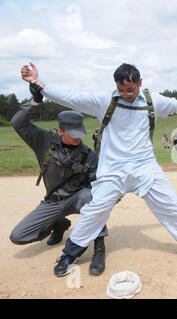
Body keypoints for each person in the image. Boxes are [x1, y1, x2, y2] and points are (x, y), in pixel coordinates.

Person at [21, 62, 177, 277]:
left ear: (139, 83)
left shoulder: (152, 100)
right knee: (94, 211)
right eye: (121, 90)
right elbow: (70, 97)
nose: (126, 94)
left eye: (130, 89)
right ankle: (69, 254)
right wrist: (37, 82)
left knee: (171, 205)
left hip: (145, 166)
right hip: (112, 169)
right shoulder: (104, 101)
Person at [9, 82, 108, 275]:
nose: (78, 138)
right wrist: (35, 101)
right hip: (53, 202)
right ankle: (58, 223)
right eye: (72, 134)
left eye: (80, 133)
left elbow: (98, 183)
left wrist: (109, 192)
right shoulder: (43, 139)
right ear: (61, 130)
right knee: (18, 236)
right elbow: (18, 123)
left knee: (94, 198)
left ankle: (99, 246)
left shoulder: (88, 155)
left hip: (77, 197)